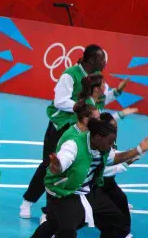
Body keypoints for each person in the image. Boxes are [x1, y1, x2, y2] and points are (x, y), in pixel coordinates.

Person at [19, 118, 148, 238]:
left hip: (88, 190)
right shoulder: (73, 145)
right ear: (98, 137)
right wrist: (57, 166)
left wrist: (139, 150)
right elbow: (62, 162)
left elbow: (116, 158)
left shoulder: (103, 148)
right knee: (67, 230)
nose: (111, 145)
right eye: (109, 142)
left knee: (115, 220)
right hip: (64, 192)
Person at [19, 44, 129, 219]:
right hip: (60, 126)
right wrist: (82, 107)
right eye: (102, 58)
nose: (105, 62)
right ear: (91, 59)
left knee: (86, 166)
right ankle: (28, 201)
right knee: (50, 166)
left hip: (83, 128)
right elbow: (60, 101)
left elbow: (99, 99)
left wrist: (115, 93)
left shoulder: (98, 77)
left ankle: (95, 201)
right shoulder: (70, 75)